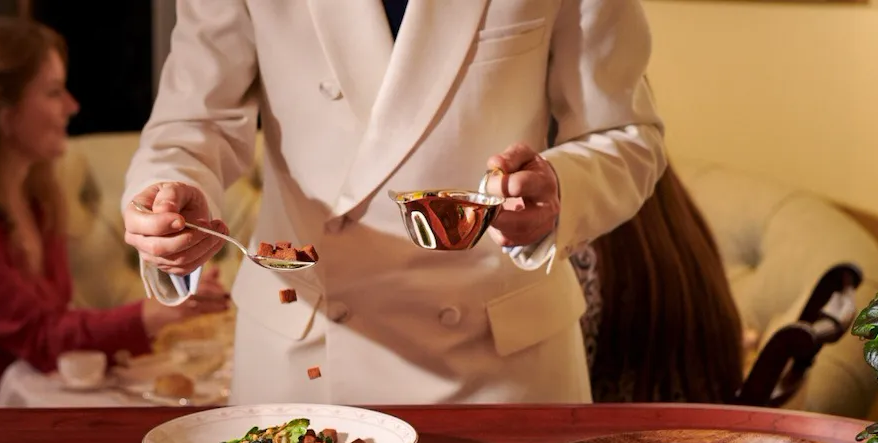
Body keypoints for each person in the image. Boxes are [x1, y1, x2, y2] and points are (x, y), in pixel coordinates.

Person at [122, 1, 665, 404]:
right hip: (307, 361)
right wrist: (169, 188)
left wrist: (561, 192)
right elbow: (193, 121)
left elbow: (627, 134)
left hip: (498, 370)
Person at [0, 17, 228, 415]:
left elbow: (47, 324)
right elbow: (39, 338)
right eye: (53, 92)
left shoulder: (35, 193)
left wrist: (161, 310)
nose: (71, 105)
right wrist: (152, 315)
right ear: (2, 112)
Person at [574, 166, 745, 403]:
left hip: (637, 434)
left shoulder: (584, 249)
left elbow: (557, 383)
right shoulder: (678, 220)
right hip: (707, 425)